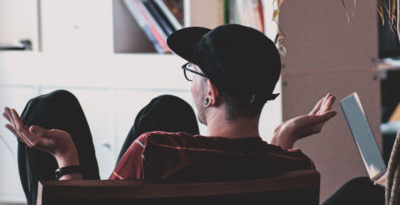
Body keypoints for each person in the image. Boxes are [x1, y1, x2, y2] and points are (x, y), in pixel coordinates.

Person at [2, 24, 336, 203]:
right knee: (170, 108)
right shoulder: (297, 167)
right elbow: (261, 159)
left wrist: (66, 156)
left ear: (211, 93)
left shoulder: (155, 152)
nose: (191, 85)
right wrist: (284, 138)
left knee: (50, 107)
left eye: (194, 73)